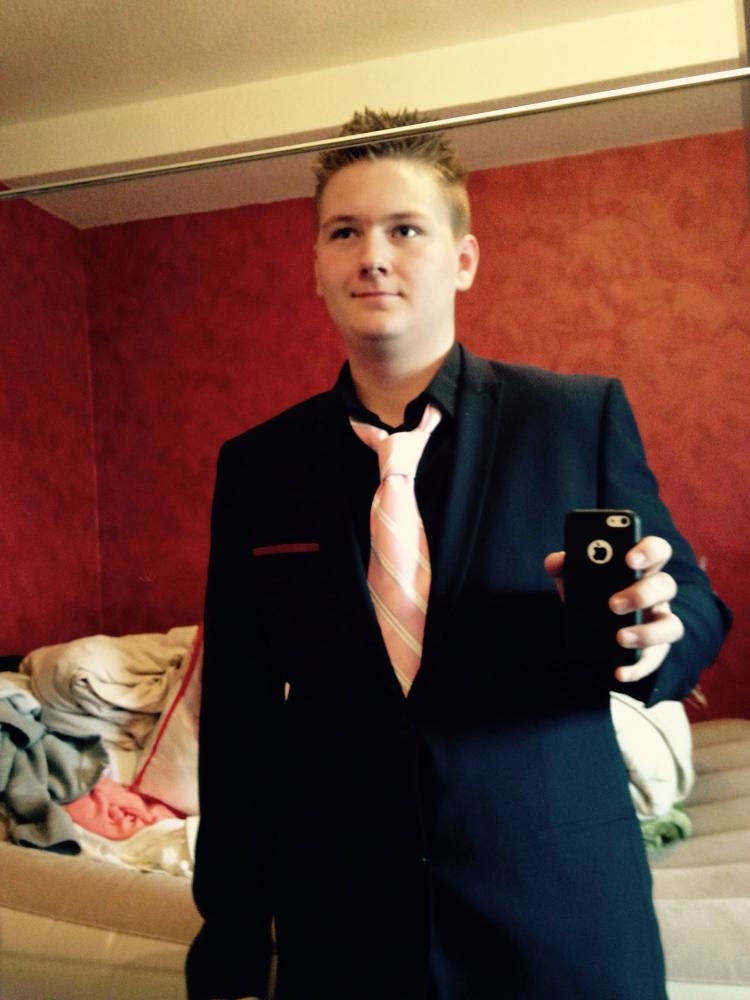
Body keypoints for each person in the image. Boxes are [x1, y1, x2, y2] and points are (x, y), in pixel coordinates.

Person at [186, 109, 730, 1000]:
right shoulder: (258, 466)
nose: (373, 255)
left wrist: (657, 637)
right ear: (316, 265)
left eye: (405, 229)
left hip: (559, 911)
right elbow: (240, 718)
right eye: (344, 232)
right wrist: (232, 938)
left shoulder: (575, 417)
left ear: (463, 259)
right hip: (344, 922)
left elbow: (698, 605)